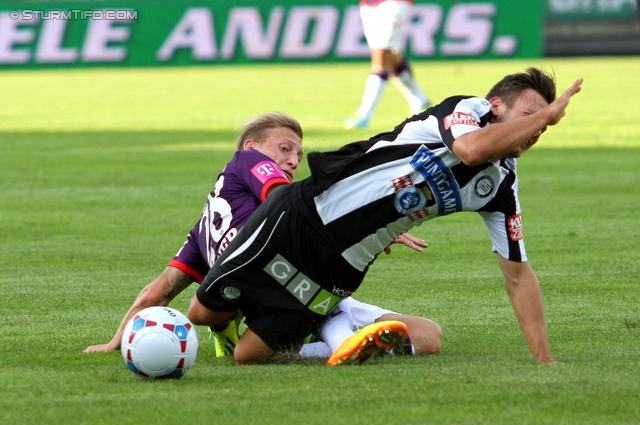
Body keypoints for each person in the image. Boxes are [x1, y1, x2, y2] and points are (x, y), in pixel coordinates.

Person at [188, 68, 583, 366]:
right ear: (495, 106)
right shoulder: (466, 111)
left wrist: (543, 359)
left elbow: (517, 274)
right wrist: (545, 116)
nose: (534, 132)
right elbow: (470, 150)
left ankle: (344, 342)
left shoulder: (499, 187)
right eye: (528, 116)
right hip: (303, 216)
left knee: (249, 356)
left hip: (341, 269)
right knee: (202, 313)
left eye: (541, 126)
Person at [84, 112, 442, 365]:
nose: (293, 160)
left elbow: (159, 290)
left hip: (303, 288)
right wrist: (116, 343)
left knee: (428, 338)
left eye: (299, 155)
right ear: (252, 146)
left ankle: (346, 338)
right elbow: (286, 203)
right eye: (285, 148)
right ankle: (340, 334)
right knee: (243, 352)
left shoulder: (206, 229)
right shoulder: (247, 162)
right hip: (282, 296)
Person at [344, 0, 430, 130]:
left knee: (381, 56)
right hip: (369, 4)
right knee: (389, 55)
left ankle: (364, 114)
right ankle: (420, 101)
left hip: (394, 3)